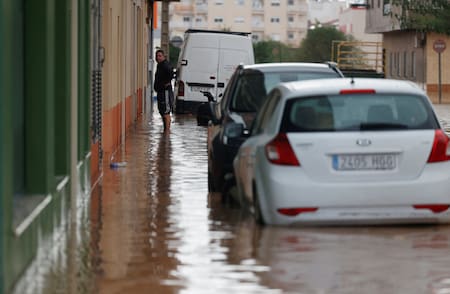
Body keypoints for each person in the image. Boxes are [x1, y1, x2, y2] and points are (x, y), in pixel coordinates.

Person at [154, 49, 174, 131]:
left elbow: (171, 72)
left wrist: (166, 82)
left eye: (160, 56)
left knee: (166, 112)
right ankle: (165, 130)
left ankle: (167, 132)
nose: (158, 57)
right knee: (162, 111)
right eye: (157, 56)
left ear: (163, 56)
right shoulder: (160, 65)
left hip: (165, 91)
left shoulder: (165, 65)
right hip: (160, 92)